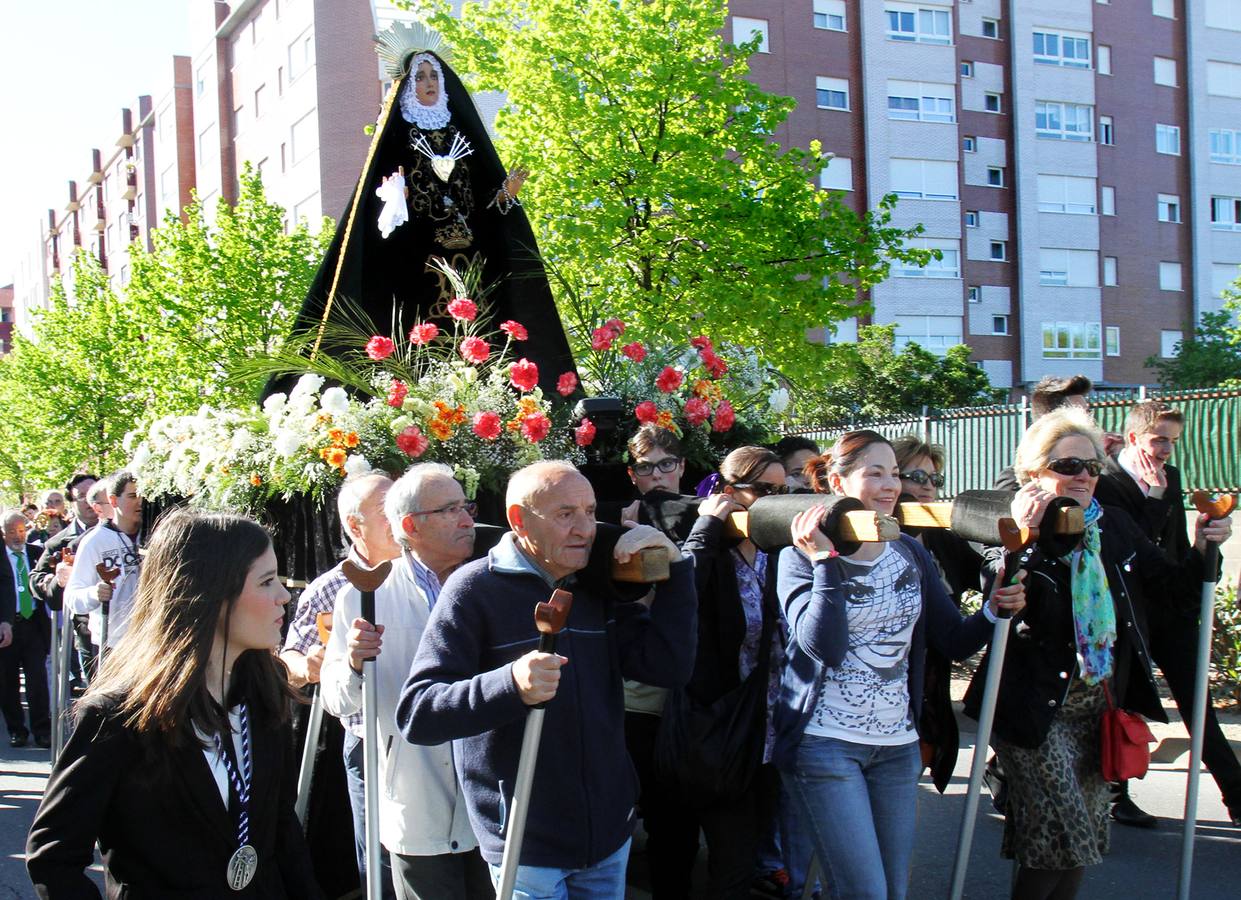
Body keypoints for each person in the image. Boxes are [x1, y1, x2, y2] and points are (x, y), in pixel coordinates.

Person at [396, 460, 696, 898]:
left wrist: (677, 572)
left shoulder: (594, 587)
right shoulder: (474, 590)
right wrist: (510, 684)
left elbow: (668, 667)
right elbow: (419, 712)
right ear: (518, 520)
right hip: (525, 842)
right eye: (565, 514)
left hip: (608, 836)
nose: (585, 528)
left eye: (591, 511)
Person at [964, 408, 1231, 899]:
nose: (1083, 476)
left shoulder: (1115, 525)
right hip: (1033, 709)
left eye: (1091, 466)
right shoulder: (1010, 526)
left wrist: (1201, 550)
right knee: (1062, 837)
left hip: (1097, 706)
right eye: (1067, 466)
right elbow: (1000, 593)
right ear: (1034, 473)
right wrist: (1022, 542)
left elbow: (1171, 592)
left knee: (1082, 841)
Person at [776, 430, 1026, 900]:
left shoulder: (908, 552)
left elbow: (951, 639)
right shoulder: (797, 556)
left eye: (895, 473)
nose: (891, 485)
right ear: (838, 480)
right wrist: (826, 562)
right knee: (864, 892)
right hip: (825, 745)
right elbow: (821, 647)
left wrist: (995, 610)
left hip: (897, 747)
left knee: (891, 890)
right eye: (875, 474)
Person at [26, 509, 324, 898]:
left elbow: (281, 830)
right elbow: (53, 856)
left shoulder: (266, 692)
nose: (285, 596)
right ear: (211, 593)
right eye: (267, 582)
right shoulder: (118, 715)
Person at [282, 26, 575, 397]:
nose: (429, 82)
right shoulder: (396, 140)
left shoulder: (463, 136)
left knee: (480, 332)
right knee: (426, 337)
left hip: (472, 260)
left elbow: (485, 207)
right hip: (417, 265)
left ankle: (487, 399)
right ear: (407, 86)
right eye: (420, 76)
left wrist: (505, 194)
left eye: (434, 75)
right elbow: (374, 216)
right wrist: (394, 197)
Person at [322, 463, 489, 899]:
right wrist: (355, 663)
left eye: (465, 506)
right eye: (451, 509)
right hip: (417, 802)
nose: (468, 519)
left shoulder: (490, 586)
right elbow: (337, 701)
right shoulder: (364, 596)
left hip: (490, 798)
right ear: (411, 525)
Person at [1093, 400, 1241, 827]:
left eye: (1173, 442)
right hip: (1125, 611)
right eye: (1159, 439)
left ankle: (1235, 793)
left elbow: (1170, 549)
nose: (1165, 451)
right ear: (1134, 436)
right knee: (1120, 703)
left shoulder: (1169, 478)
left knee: (1199, 703)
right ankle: (1117, 795)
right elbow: (1133, 542)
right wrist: (1156, 495)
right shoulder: (1106, 481)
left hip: (1168, 609)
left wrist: (1201, 550)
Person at [653, 447, 784, 899]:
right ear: (730, 493)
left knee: (736, 866)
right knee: (675, 852)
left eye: (786, 491)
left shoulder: (783, 555)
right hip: (706, 725)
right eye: (766, 490)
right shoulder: (709, 546)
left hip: (762, 733)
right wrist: (708, 526)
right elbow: (679, 593)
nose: (778, 501)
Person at [280, 472, 401, 897]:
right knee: (381, 864)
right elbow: (290, 657)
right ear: (355, 526)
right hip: (369, 740)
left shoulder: (429, 570)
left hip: (428, 734)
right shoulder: (330, 587)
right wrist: (310, 665)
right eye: (386, 511)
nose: (399, 516)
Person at [889, 435, 984, 793]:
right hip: (888, 689)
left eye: (935, 479)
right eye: (917, 477)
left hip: (930, 691)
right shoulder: (875, 537)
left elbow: (983, 564)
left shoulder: (942, 536)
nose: (928, 487)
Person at [64, 472, 143, 656]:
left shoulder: (154, 535)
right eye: (132, 496)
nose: (139, 502)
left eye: (141, 495)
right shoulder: (95, 541)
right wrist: (94, 593)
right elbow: (72, 596)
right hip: (113, 643)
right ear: (113, 501)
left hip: (149, 639)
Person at [0, 510, 49, 748]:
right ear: (3, 533)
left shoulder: (36, 553)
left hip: (34, 627)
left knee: (37, 680)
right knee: (8, 682)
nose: (18, 537)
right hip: (8, 627)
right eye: (12, 532)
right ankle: (17, 729)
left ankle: (42, 730)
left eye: (21, 531)